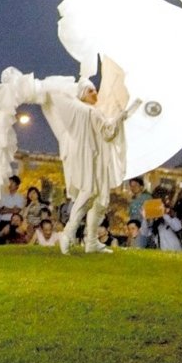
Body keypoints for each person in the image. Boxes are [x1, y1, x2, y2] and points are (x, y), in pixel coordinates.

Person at [44, 79, 126, 255]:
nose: (95, 93)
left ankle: (91, 241)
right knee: (89, 194)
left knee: (100, 200)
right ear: (82, 94)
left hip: (97, 161)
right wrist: (120, 118)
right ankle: (68, 234)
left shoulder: (86, 112)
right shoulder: (89, 112)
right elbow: (108, 132)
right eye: (91, 91)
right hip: (94, 162)